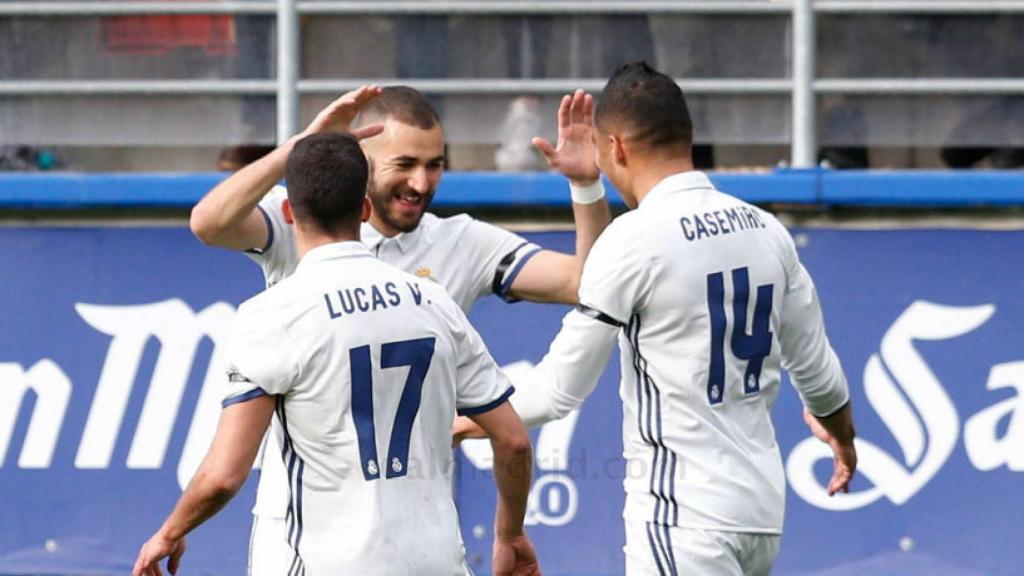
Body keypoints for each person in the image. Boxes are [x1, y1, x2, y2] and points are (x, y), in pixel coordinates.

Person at [456, 62, 857, 575]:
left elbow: (558, 389)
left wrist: (459, 421)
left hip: (682, 517)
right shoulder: (766, 230)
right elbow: (819, 374)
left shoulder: (634, 239)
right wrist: (843, 440)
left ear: (616, 148)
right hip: (759, 517)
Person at [189, 84, 609, 573]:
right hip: (304, 530)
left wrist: (586, 187)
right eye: (405, 164)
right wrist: (303, 148)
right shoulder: (301, 222)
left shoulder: (461, 242)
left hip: (412, 532)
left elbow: (589, 283)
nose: (421, 183)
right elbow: (209, 223)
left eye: (435, 165)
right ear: (362, 161)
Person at [134, 133, 539, 576]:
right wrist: (510, 535)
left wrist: (170, 531)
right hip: (436, 562)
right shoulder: (433, 301)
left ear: (288, 213)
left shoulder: (272, 314)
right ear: (364, 210)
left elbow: (225, 476)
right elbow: (513, 441)